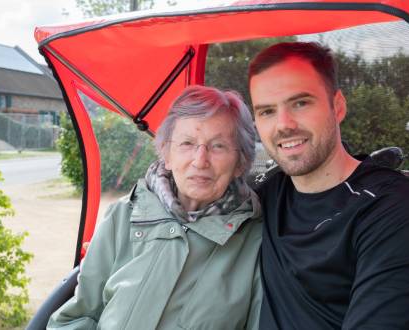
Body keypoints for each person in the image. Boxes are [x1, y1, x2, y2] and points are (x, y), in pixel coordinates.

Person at [248, 42, 409, 329]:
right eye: (267, 112)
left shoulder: (389, 206)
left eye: (300, 103)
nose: (283, 125)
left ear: (337, 107)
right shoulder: (267, 195)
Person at [48, 85, 263, 329]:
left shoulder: (257, 242)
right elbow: (77, 316)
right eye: (187, 143)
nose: (200, 160)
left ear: (240, 162)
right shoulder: (124, 215)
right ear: (167, 154)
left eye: (218, 146)